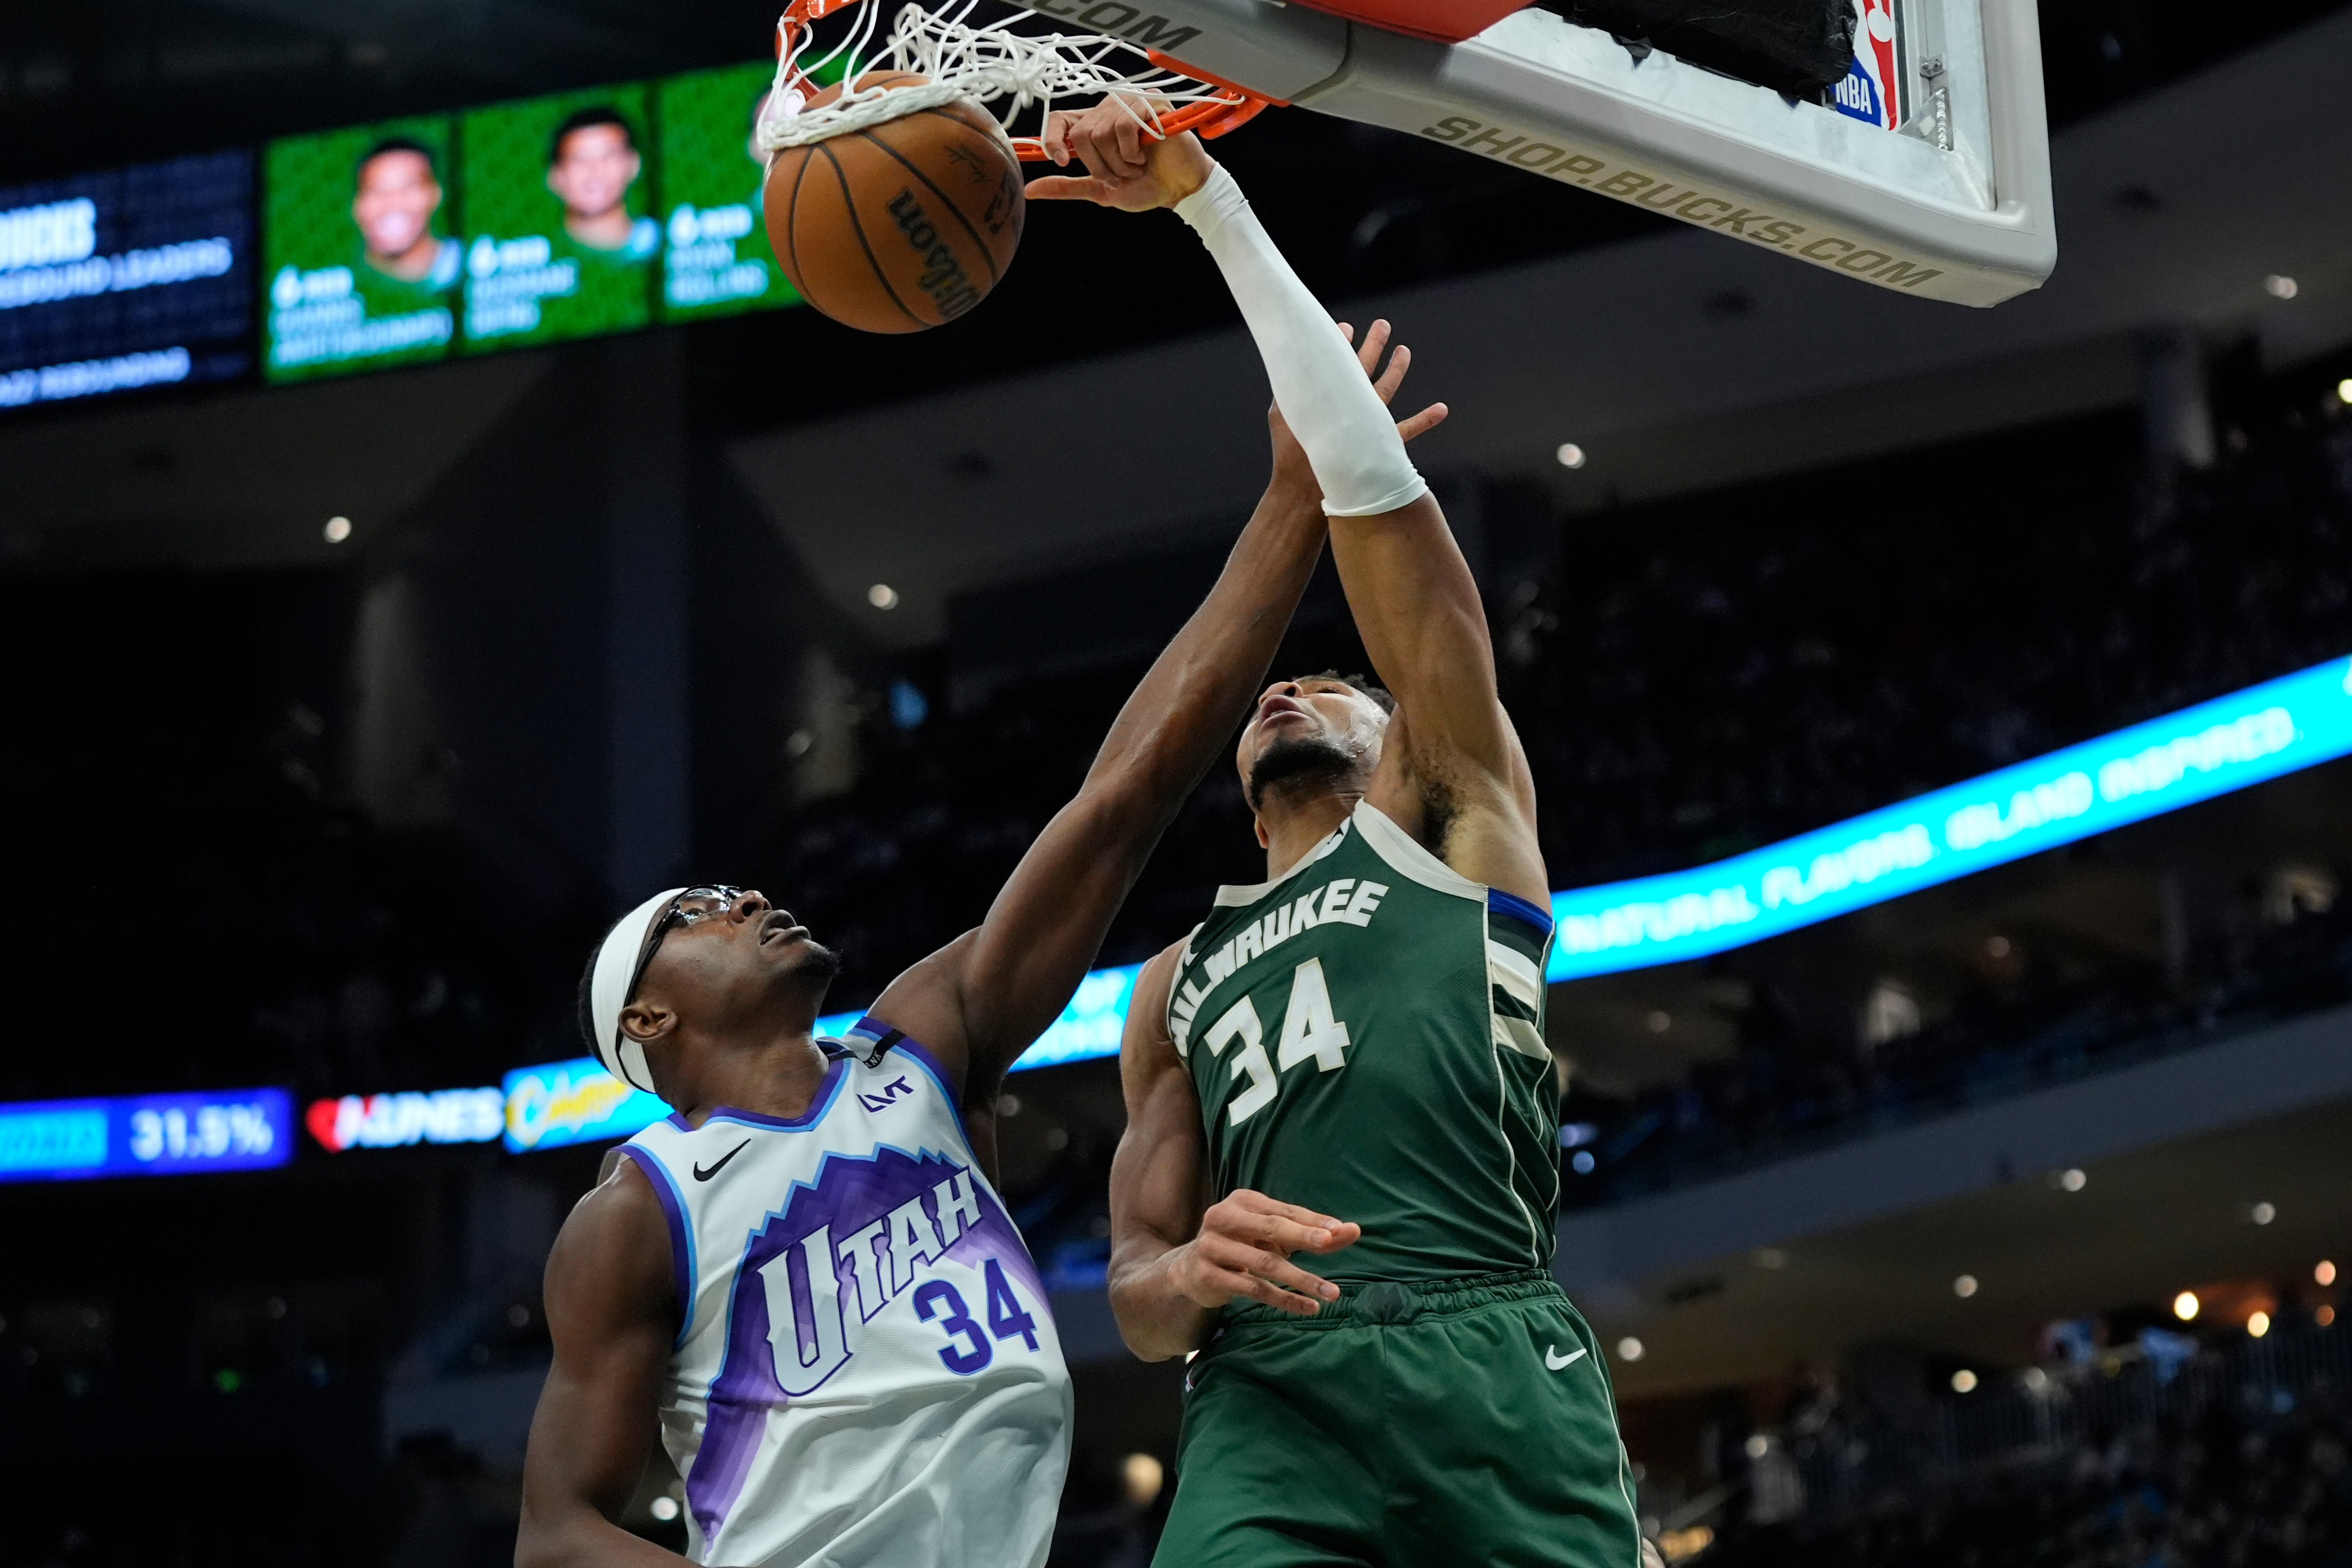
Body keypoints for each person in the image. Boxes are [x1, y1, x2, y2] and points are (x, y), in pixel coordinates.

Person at [513, 322, 1447, 1562]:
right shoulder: (640, 1207)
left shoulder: (920, 1048)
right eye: (698, 913)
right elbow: (556, 1532)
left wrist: (1291, 500)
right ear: (647, 1019)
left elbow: (1123, 797)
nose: (742, 898)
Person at [1032, 108, 1650, 1567]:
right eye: (1272, 694)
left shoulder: (1451, 808)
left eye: (1336, 683)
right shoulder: (1170, 977)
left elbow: (1384, 518)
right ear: (1244, 802)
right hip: (1266, 1391)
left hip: (1482, 1338)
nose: (1287, 685)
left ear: (1396, 740)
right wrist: (1182, 1272)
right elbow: (1128, 1282)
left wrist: (1208, 205)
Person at [547, 106, 659, 258]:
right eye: (580, 160)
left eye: (609, 157)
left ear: (633, 165)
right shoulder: (537, 256)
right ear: (556, 176)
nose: (595, 171)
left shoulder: (667, 243)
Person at [351, 138, 459, 292]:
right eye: (377, 191)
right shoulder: (341, 280)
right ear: (358, 205)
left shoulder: (473, 263)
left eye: (409, 187)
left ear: (434, 195)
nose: (393, 203)